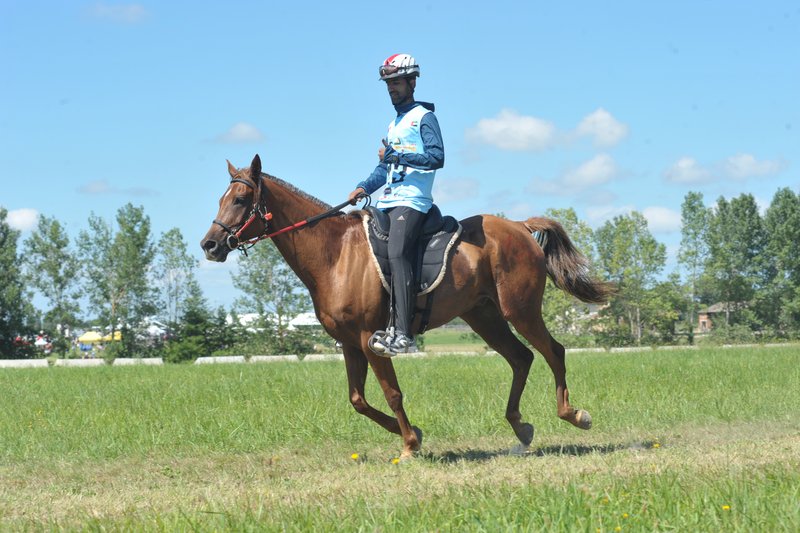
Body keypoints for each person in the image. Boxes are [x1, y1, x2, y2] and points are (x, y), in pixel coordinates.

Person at [348, 53, 445, 356]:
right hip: (387, 200)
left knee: (398, 252)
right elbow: (385, 170)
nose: (392, 88)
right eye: (388, 83)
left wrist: (398, 156)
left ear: (412, 82)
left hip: (413, 201)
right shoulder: (393, 125)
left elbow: (437, 157)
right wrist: (364, 186)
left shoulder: (423, 117)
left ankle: (404, 334)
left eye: (397, 82)